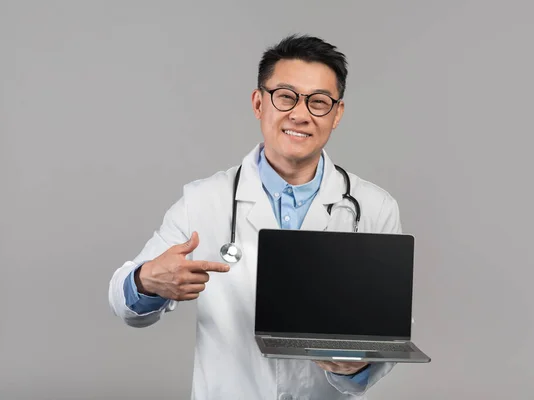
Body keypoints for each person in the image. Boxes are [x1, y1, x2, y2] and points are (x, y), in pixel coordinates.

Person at [108, 34, 403, 399]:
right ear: (258, 103)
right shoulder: (203, 200)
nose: (300, 114)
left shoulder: (374, 208)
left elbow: (390, 329)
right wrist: (147, 280)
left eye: (319, 102)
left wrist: (358, 366)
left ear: (337, 114)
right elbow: (124, 301)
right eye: (285, 96)